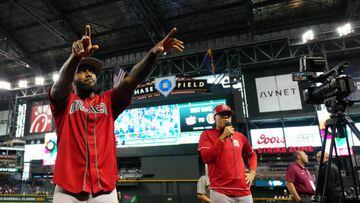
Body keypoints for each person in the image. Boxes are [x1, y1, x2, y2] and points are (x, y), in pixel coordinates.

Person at [49, 25, 183, 203]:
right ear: (73, 77)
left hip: (104, 190)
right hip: (67, 190)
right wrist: (75, 57)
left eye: (92, 71)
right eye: (82, 70)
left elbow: (130, 80)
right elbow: (61, 85)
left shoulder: (108, 101)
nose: (89, 74)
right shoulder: (64, 102)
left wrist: (152, 54)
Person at [198, 104, 257, 203]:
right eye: (222, 115)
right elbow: (206, 158)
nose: (226, 117)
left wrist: (252, 172)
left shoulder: (240, 136)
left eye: (228, 115)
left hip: (243, 190)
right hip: (220, 190)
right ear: (214, 117)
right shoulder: (207, 134)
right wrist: (222, 137)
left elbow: (252, 154)